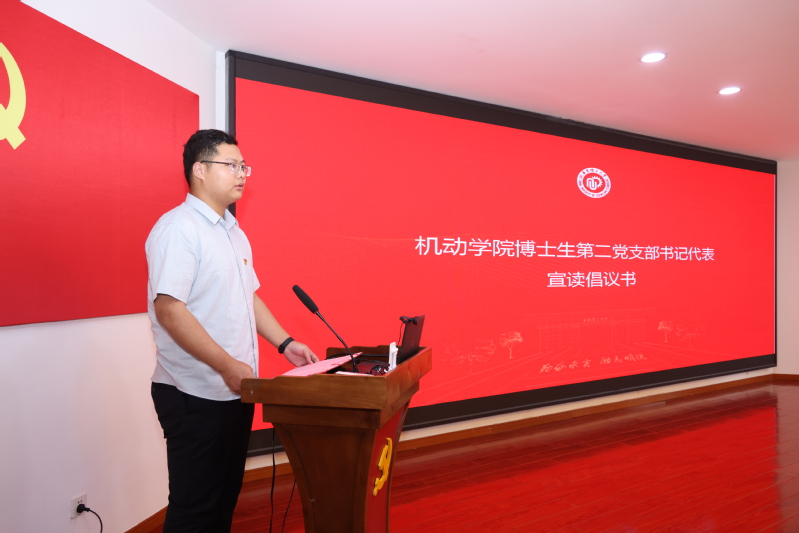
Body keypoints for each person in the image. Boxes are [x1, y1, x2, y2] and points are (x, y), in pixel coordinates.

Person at [146, 129, 318, 532]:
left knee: (223, 499)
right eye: (232, 165)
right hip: (194, 392)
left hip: (236, 388)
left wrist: (285, 343)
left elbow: (248, 296)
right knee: (194, 508)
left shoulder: (232, 231)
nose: (242, 173)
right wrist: (227, 366)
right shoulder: (178, 228)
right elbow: (169, 309)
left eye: (244, 166)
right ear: (199, 170)